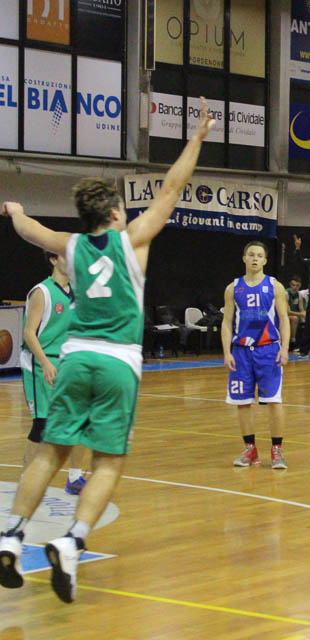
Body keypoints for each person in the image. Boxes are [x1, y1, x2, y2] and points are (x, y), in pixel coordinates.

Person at [0, 98, 215, 603]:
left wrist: (16, 211)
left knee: (49, 454)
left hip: (74, 358)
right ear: (116, 213)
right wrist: (198, 136)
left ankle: (11, 536)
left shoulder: (70, 247)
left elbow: (30, 231)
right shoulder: (134, 240)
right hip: (118, 362)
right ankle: (72, 541)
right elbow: (172, 188)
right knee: (108, 463)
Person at [20, 251, 89, 494]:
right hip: (41, 362)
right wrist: (46, 364)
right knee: (43, 425)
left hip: (67, 362)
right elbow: (29, 333)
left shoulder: (78, 292)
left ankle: (75, 477)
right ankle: (27, 480)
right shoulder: (42, 292)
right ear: (53, 260)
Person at [222, 241, 290, 469]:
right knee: (242, 402)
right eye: (251, 254)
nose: (254, 258)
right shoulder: (233, 288)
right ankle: (250, 449)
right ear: (244, 258)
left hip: (268, 350)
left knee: (274, 401)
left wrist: (285, 348)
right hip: (241, 352)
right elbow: (227, 322)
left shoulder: (275, 286)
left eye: (259, 255)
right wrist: (227, 352)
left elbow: (284, 318)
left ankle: (277, 450)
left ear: (265, 261)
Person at [286, 275, 307, 349]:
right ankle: (292, 341)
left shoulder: (299, 295)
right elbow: (287, 311)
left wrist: (304, 313)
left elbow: (301, 309)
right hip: (282, 315)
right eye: (293, 285)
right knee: (294, 318)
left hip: (294, 315)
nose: (295, 287)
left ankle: (308, 342)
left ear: (300, 286)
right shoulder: (285, 293)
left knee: (309, 318)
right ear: (290, 284)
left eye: (297, 285)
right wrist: (301, 314)